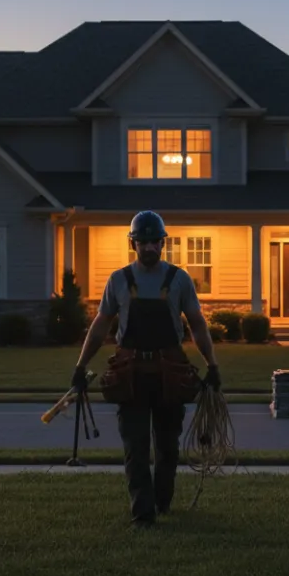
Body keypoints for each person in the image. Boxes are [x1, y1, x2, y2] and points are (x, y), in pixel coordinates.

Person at [71, 210, 221, 527]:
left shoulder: (179, 280)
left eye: (155, 241)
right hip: (131, 375)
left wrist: (213, 364)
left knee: (167, 448)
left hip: (171, 374)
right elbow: (100, 327)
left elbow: (197, 325)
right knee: (135, 449)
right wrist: (80, 364)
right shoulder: (118, 280)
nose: (150, 247)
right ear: (133, 244)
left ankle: (162, 501)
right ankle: (143, 513)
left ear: (162, 244)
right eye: (143, 241)